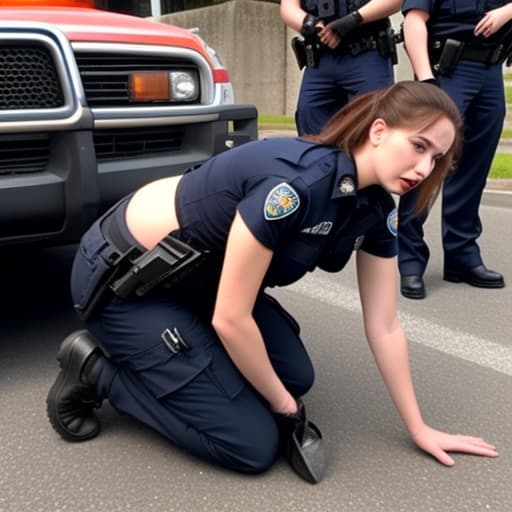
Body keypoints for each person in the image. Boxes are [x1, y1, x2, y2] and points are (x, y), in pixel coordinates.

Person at [46, 82, 498, 481]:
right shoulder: (296, 187)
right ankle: (94, 368)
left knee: (294, 376)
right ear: (378, 131)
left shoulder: (376, 207)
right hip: (127, 283)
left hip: (199, 281)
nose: (424, 168)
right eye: (418, 146)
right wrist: (284, 407)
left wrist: (418, 428)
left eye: (436, 157)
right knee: (252, 444)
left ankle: (188, 364)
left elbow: (384, 327)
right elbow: (232, 319)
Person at [398, 1, 512, 299]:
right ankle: (410, 260)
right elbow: (414, 21)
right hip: (448, 71)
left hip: (490, 72)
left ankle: (461, 255)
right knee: (424, 165)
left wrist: (506, 12)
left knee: (474, 168)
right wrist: (427, 81)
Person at [280, 0, 402, 136]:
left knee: (373, 122)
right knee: (309, 117)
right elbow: (288, 7)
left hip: (367, 52)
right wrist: (312, 25)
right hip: (322, 57)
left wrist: (352, 20)